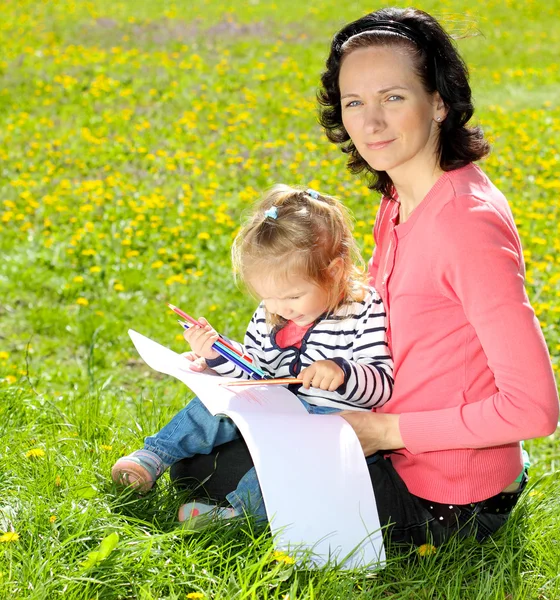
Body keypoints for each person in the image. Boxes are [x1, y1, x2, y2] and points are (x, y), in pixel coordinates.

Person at [170, 7, 559, 547]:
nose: (371, 123)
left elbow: (534, 409)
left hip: (446, 498)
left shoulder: (467, 227)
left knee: (207, 477)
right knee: (198, 460)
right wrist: (244, 362)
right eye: (355, 102)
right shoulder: (400, 195)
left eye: (393, 98)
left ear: (439, 102)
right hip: (378, 429)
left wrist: (383, 432)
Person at [112, 184, 394, 521]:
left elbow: (382, 382)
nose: (280, 308)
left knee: (286, 465)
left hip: (328, 425)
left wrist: (343, 372)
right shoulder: (272, 311)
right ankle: (153, 456)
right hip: (276, 410)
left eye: (292, 297)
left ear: (334, 272)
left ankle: (238, 515)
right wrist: (219, 355)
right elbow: (256, 370)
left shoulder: (363, 309)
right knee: (213, 407)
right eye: (268, 298)